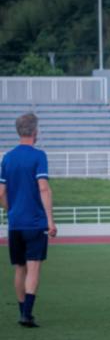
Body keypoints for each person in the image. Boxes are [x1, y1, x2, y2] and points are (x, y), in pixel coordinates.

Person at [0, 113, 57, 328]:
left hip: (15, 223)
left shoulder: (8, 157)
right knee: (33, 268)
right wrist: (50, 220)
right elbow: (43, 187)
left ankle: (21, 310)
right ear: (35, 131)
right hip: (35, 223)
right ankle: (27, 314)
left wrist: (12, 209)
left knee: (19, 268)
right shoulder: (39, 156)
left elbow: (0, 192)